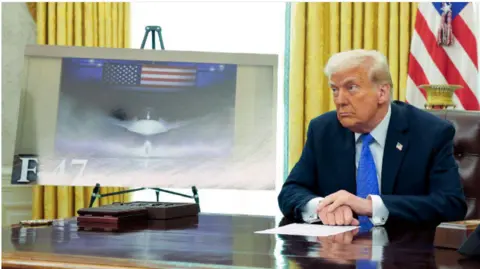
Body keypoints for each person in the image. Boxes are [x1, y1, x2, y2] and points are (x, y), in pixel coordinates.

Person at [278, 49, 467, 227]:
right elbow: (290, 191)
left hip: (404, 253)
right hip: (339, 254)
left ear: (382, 93)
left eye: (351, 88)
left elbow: (451, 204)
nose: (340, 100)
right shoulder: (323, 130)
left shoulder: (430, 132)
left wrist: (370, 206)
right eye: (335, 89)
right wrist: (324, 207)